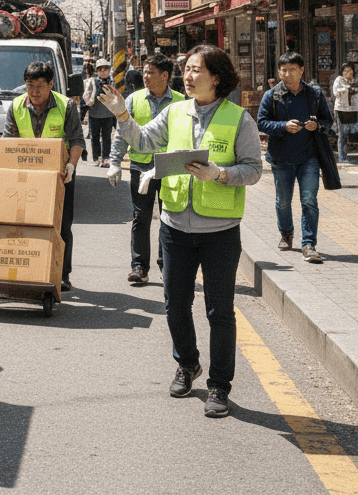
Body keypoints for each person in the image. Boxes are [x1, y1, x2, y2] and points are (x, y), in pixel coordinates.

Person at [97, 45, 262, 419]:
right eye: (185, 70)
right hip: (174, 225)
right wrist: (122, 114)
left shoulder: (239, 119)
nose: (187, 77)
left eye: (195, 70)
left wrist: (219, 174)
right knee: (175, 305)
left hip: (220, 230)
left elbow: (253, 170)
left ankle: (220, 385)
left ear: (216, 77)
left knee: (219, 311)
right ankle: (187, 364)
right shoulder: (174, 112)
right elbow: (141, 141)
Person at [3, 60, 85, 291]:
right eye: (30, 85)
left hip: (61, 175)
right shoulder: (16, 106)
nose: (34, 91)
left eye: (40, 85)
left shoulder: (66, 105)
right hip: (26, 176)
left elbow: (77, 139)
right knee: (27, 223)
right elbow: (8, 142)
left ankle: (62, 273)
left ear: (51, 84)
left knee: (61, 225)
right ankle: (32, 268)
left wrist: (71, 166)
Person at [108, 54, 185, 285]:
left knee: (169, 217)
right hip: (141, 167)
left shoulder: (182, 101)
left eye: (151, 72)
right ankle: (139, 266)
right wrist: (114, 161)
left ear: (165, 75)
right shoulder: (133, 99)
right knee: (140, 217)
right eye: (145, 72)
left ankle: (167, 264)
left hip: (170, 167)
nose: (146, 77)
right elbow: (123, 131)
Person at [257, 52, 333, 264]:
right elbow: (261, 122)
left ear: (301, 71)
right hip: (282, 159)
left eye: (291, 69)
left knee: (309, 200)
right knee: (283, 202)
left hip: (309, 157)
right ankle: (286, 233)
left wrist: (317, 125)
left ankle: (309, 244)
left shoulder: (314, 94)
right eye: (283, 70)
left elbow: (328, 120)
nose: (287, 74)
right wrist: (283, 126)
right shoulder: (272, 95)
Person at [83, 58, 116, 165]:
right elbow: (86, 99)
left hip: (108, 115)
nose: (103, 71)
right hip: (94, 115)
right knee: (95, 137)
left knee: (107, 137)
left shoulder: (112, 81)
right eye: (100, 69)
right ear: (97, 71)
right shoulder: (92, 82)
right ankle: (96, 158)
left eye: (105, 69)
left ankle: (106, 157)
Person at [332, 61, 358, 164]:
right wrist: (346, 88)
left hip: (355, 110)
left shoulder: (356, 80)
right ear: (342, 72)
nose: (349, 73)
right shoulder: (339, 80)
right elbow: (335, 93)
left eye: (350, 70)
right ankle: (342, 158)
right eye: (346, 71)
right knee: (343, 134)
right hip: (342, 110)